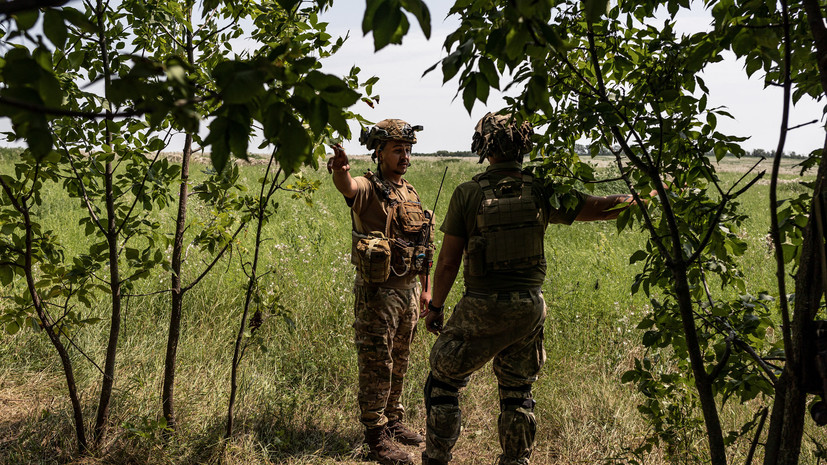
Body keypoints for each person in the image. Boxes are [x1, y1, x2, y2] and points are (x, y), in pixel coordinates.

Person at [421, 112, 644, 465]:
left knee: (443, 382)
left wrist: (435, 307)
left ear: (484, 146)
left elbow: (448, 263)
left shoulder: (468, 193)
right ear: (524, 145)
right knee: (517, 390)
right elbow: (600, 209)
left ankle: (436, 458)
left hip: (482, 306)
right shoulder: (541, 189)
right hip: (529, 308)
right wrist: (643, 198)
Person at [327, 119, 435, 465]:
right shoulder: (369, 188)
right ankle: (375, 435)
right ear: (379, 152)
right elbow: (347, 186)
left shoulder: (410, 191)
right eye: (397, 150)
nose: (404, 156)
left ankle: (393, 420)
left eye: (408, 150)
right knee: (378, 363)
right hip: (379, 295)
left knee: (400, 361)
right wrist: (341, 170)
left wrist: (426, 290)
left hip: (408, 291)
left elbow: (424, 246)